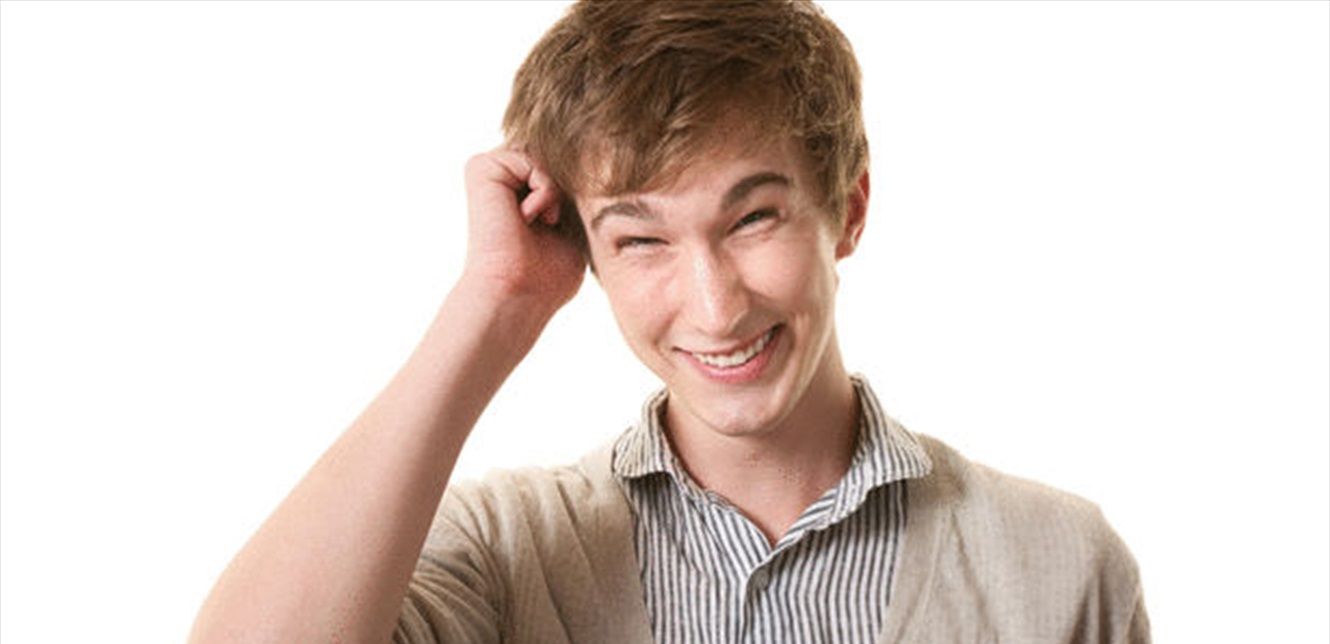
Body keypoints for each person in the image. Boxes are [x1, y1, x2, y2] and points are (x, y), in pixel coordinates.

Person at [189, 1, 1149, 642]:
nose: (715, 305)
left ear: (848, 210)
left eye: (753, 218)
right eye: (640, 239)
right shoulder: (508, 552)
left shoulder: (1059, 561)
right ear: (587, 253)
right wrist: (494, 304)